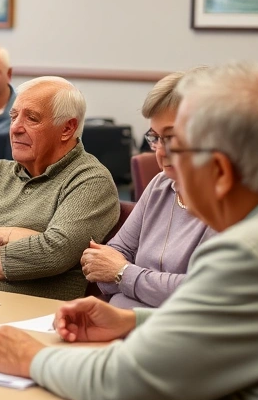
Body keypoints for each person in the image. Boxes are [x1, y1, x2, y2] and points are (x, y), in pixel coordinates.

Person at [0, 63, 258, 400]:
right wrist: (134, 322)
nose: (165, 162)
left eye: (178, 149)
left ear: (220, 171)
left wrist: (29, 356)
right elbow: (239, 324)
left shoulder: (250, 254)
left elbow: (122, 389)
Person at [0, 76, 119, 300]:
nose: (15, 128)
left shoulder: (90, 180)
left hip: (30, 310)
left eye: (32, 118)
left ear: (67, 128)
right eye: (13, 116)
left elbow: (52, 253)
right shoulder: (0, 171)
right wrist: (9, 235)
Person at [81, 71, 215, 308]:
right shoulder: (160, 185)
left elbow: (200, 292)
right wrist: (131, 279)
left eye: (172, 137)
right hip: (118, 320)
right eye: (156, 138)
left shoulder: (230, 203)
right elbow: (109, 259)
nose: (160, 152)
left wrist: (123, 274)